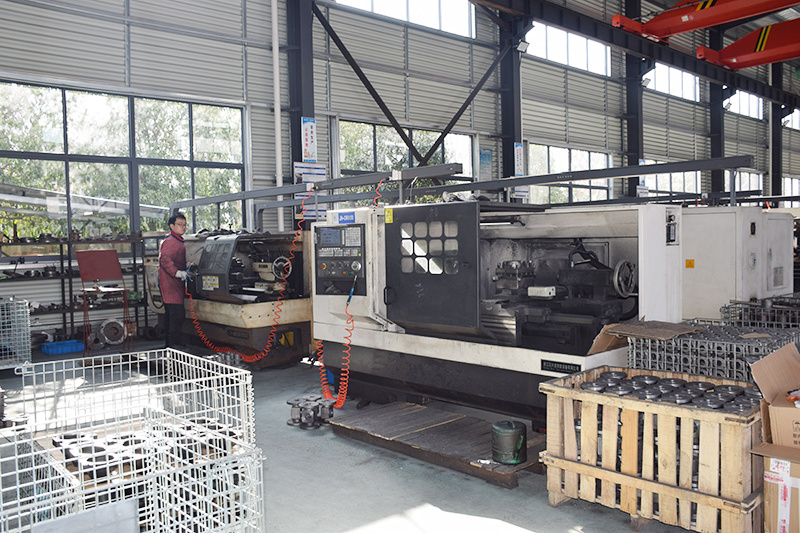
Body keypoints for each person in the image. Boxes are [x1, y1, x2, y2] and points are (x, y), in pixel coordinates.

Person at [159, 213, 188, 348]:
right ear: (171, 226)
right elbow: (165, 259)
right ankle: (173, 347)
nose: (183, 227)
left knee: (171, 316)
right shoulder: (171, 241)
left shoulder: (177, 240)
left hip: (173, 285)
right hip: (171, 286)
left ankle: (170, 346)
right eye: (179, 224)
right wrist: (177, 273)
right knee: (176, 316)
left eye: (184, 225)